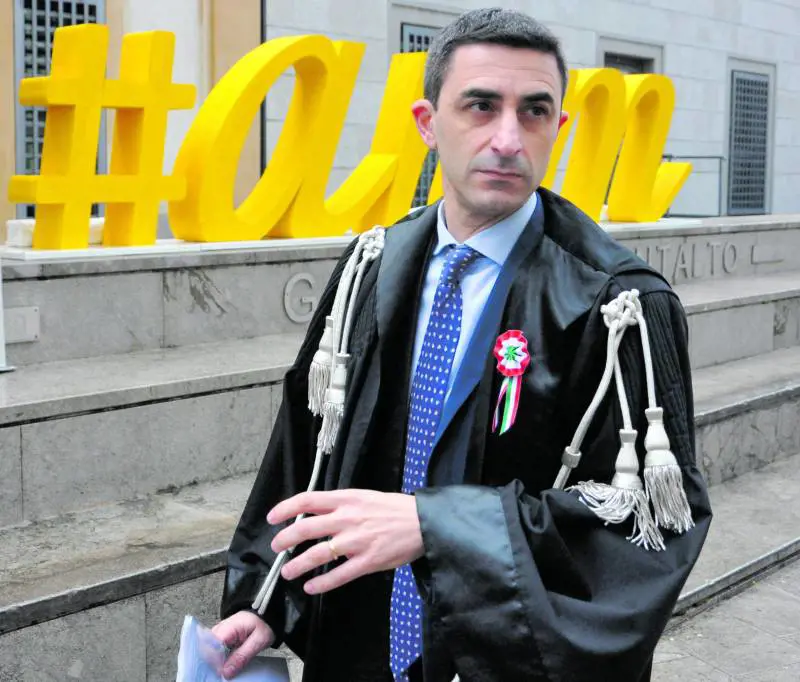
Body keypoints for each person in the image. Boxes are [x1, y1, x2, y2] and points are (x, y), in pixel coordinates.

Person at [212, 8, 711, 681]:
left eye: (534, 112)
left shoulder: (620, 304)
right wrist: (265, 599)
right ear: (427, 122)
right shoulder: (371, 268)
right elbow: (305, 452)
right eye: (481, 106)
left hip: (503, 658)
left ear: (559, 127)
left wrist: (437, 528)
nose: (507, 138)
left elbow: (646, 532)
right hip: (360, 642)